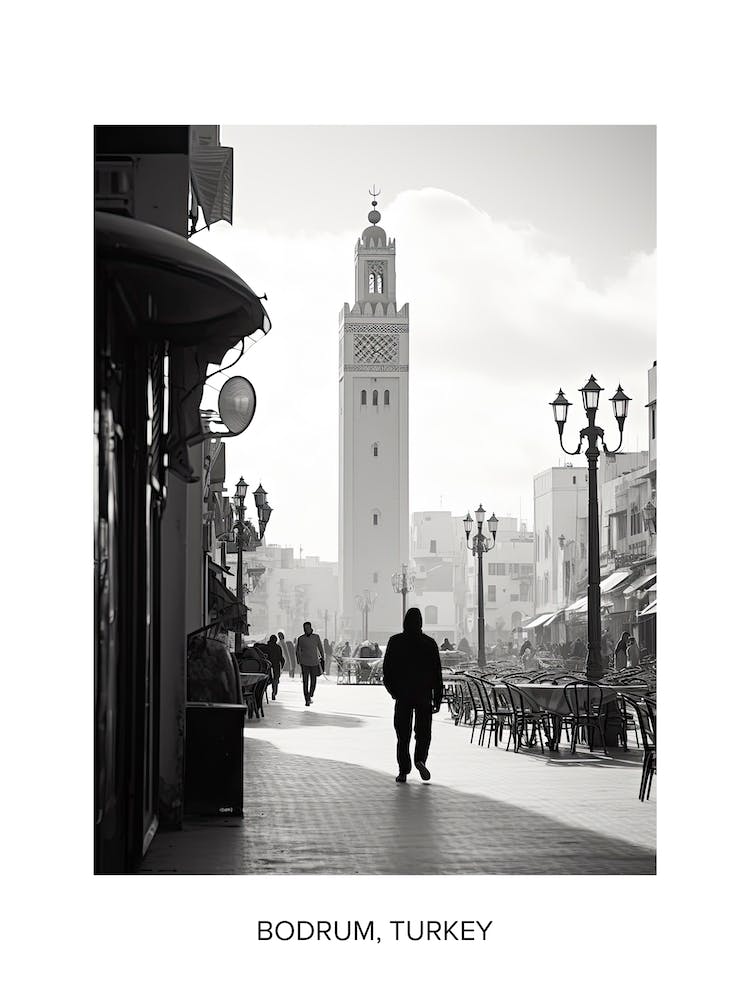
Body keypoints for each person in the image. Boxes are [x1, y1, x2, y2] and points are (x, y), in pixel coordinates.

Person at [383, 607, 443, 784]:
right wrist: (437, 697)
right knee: (423, 732)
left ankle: (403, 770)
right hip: (424, 694)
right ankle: (420, 759)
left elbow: (387, 670)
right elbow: (436, 673)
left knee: (403, 734)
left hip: (403, 695)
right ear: (421, 623)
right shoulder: (429, 643)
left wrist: (393, 691)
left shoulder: (395, 641)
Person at [295, 621, 325, 706]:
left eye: (307, 628)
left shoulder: (316, 637)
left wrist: (323, 658)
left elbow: (320, 648)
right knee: (305, 681)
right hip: (304, 663)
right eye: (305, 628)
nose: (306, 629)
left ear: (311, 628)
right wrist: (299, 660)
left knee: (313, 680)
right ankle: (307, 698)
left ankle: (310, 694)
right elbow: (297, 651)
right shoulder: (301, 638)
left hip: (314, 662)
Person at [256, 634, 284, 699]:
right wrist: (282, 666)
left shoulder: (266, 647)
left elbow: (259, 649)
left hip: (267, 666)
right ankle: (274, 692)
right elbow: (281, 658)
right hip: (276, 666)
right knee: (275, 680)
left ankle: (263, 691)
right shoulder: (278, 647)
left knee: (266, 679)